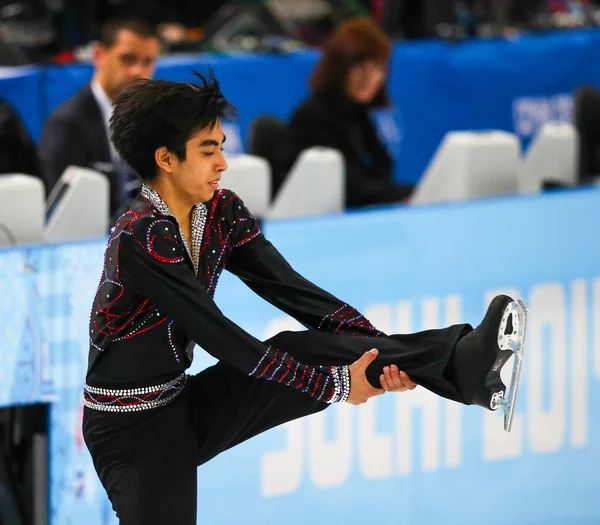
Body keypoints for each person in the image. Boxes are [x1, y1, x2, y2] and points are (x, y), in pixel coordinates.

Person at [82, 71, 526, 525]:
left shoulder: (220, 211)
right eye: (209, 150)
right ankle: (455, 367)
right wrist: (335, 386)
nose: (223, 163)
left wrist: (380, 355)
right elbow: (220, 336)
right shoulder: (141, 236)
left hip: (182, 402)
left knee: (302, 346)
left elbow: (297, 294)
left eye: (221, 147)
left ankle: (464, 365)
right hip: (128, 431)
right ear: (166, 159)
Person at [277, 17, 414, 209]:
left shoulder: (358, 113)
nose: (371, 77)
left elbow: (379, 173)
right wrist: (409, 193)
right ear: (339, 68)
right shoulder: (313, 116)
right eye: (361, 67)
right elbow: (348, 188)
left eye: (378, 67)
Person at [38, 17, 160, 215]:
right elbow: (61, 210)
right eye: (127, 59)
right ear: (99, 54)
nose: (138, 70)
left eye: (147, 62)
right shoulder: (67, 124)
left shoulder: (154, 121)